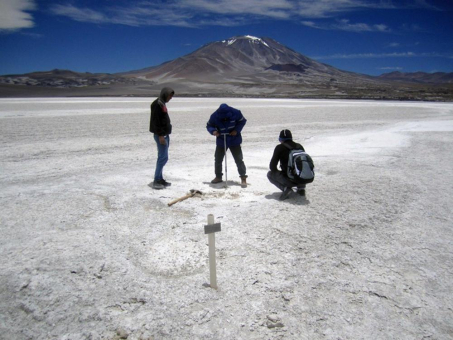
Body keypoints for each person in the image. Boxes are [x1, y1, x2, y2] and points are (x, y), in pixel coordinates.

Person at [206, 103, 248, 188]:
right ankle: (218, 177)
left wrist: (236, 130)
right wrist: (214, 131)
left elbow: (242, 121)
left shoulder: (236, 112)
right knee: (218, 159)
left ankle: (243, 177)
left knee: (239, 159)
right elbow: (209, 125)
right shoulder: (215, 116)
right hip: (221, 139)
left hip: (234, 139)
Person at [268, 129, 309, 200]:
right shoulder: (299, 146)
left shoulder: (279, 147)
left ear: (280, 139)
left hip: (290, 180)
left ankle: (286, 189)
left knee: (269, 174)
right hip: (303, 178)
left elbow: (272, 167)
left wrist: (281, 172)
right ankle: (301, 188)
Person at [149, 87, 174, 190]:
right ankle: (156, 180)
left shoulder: (162, 103)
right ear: (165, 94)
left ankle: (160, 178)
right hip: (161, 135)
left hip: (164, 134)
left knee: (164, 157)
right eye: (170, 96)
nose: (170, 98)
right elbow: (156, 121)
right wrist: (160, 135)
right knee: (162, 157)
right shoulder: (157, 104)